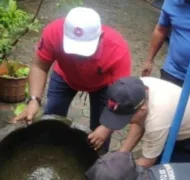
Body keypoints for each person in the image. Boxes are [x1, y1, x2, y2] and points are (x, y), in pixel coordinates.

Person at [13, 7, 132, 154]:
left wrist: (107, 127)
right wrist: (33, 100)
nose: (77, 58)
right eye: (73, 50)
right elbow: (39, 66)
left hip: (103, 86)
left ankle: (98, 166)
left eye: (83, 52)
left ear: (100, 37)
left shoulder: (118, 50)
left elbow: (122, 96)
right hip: (64, 76)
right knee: (51, 118)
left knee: (99, 133)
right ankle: (48, 153)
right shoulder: (54, 32)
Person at [89, 76, 190, 168]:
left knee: (167, 176)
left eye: (126, 119)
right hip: (171, 122)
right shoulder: (135, 88)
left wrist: (116, 173)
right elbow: (140, 122)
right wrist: (122, 153)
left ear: (142, 109)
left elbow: (146, 162)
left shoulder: (156, 121)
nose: (127, 123)